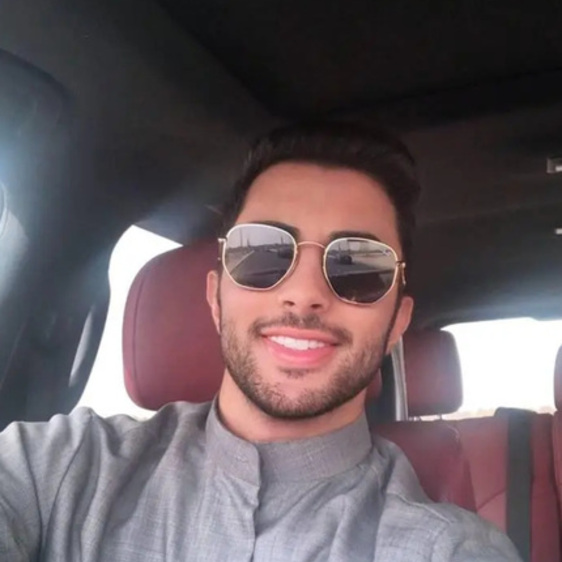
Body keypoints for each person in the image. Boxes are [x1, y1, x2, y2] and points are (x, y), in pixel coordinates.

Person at [0, 122, 520, 561]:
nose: (305, 294)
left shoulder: (447, 549)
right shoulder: (60, 467)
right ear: (215, 297)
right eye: (264, 252)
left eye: (359, 266)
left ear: (397, 323)